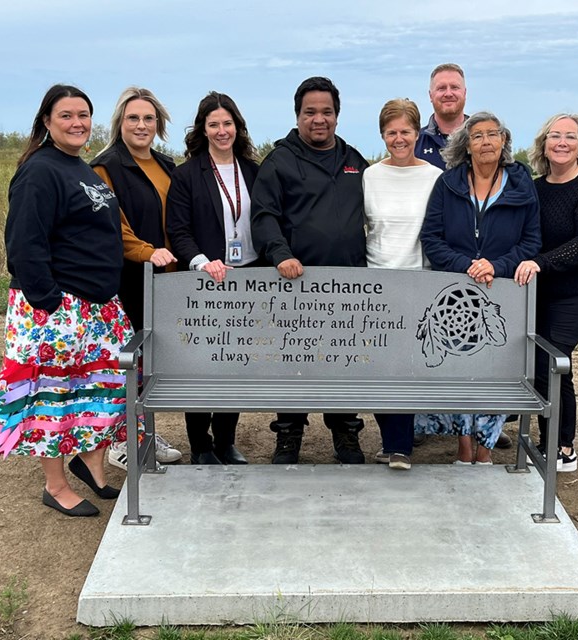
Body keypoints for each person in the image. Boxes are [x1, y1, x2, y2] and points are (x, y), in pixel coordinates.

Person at [0, 84, 128, 517]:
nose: (77, 123)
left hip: (96, 308)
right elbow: (25, 244)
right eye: (66, 115)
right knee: (53, 397)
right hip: (57, 309)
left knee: (99, 391)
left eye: (83, 115)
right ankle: (55, 484)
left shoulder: (78, 166)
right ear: (47, 121)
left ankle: (91, 465)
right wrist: (49, 304)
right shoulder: (40, 170)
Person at [250, 76, 370, 465]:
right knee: (294, 364)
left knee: (345, 364)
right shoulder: (280, 160)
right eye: (310, 112)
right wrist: (280, 253)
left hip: (349, 286)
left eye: (327, 112)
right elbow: (264, 215)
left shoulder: (353, 161)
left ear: (337, 115)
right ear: (297, 115)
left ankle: (346, 433)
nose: (319, 120)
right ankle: (289, 434)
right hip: (296, 285)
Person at [417, 111, 541, 464]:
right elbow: (432, 237)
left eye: (493, 134)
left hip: (504, 289)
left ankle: (485, 448)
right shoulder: (449, 183)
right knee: (459, 368)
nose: (486, 141)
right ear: (466, 145)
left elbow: (532, 241)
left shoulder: (521, 183)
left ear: (504, 141)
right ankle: (464, 444)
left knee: (497, 367)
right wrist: (467, 266)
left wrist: (497, 266)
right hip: (455, 292)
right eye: (477, 136)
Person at [414, 63, 513, 450]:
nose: (448, 92)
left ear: (466, 93)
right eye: (441, 87)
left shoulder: (486, 134)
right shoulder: (418, 140)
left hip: (486, 265)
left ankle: (484, 428)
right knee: (441, 343)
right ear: (431, 95)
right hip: (439, 260)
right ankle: (434, 423)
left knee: (480, 346)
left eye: (455, 86)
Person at [165, 91, 264, 466]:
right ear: (202, 130)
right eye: (214, 125)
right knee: (203, 365)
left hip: (249, 277)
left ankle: (225, 441)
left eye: (228, 123)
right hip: (207, 280)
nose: (222, 131)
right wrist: (202, 262)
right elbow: (178, 229)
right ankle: (201, 446)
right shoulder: (187, 174)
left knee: (237, 363)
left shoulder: (254, 171)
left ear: (238, 127)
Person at [90, 86, 183, 470]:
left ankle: (143, 432)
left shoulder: (166, 165)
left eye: (148, 118)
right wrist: (148, 252)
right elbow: (113, 227)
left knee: (150, 364)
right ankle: (119, 443)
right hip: (127, 279)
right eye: (133, 118)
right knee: (126, 363)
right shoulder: (104, 167)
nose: (141, 125)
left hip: (164, 279)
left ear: (158, 124)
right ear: (120, 123)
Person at [514, 113, 578, 472]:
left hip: (577, 294)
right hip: (535, 292)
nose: (562, 142)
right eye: (555, 136)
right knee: (532, 364)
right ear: (543, 144)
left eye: (570, 137)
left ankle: (563, 447)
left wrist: (540, 262)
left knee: (553, 362)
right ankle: (543, 439)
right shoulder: (536, 188)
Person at [363, 98, 443, 470]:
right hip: (377, 278)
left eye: (405, 132)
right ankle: (392, 439)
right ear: (382, 135)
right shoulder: (370, 176)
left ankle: (400, 446)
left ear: (417, 133)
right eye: (391, 132)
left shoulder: (434, 176)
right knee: (378, 365)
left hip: (419, 281)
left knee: (407, 367)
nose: (399, 139)